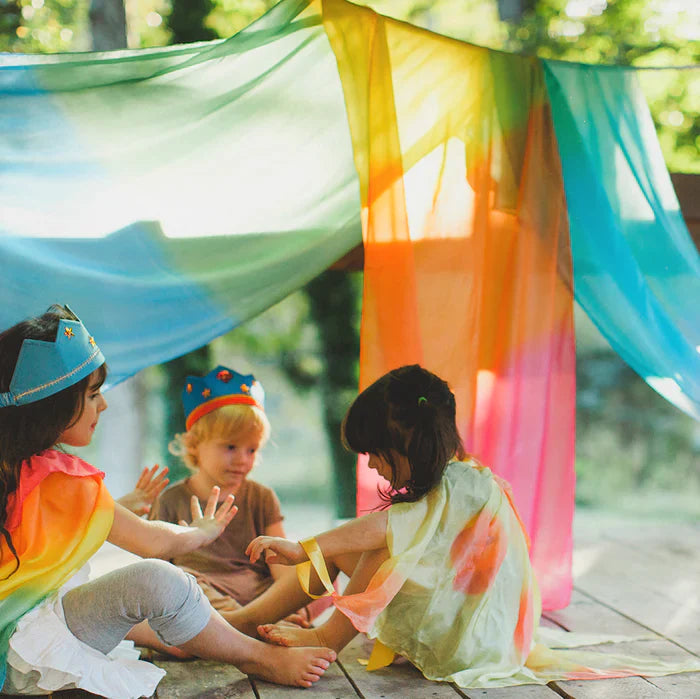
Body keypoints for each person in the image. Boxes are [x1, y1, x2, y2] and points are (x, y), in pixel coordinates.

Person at [234, 364, 699, 689]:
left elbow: (382, 532)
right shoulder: (459, 480)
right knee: (348, 544)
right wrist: (314, 549)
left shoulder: (465, 486)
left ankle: (318, 636)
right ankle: (259, 620)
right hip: (454, 615)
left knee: (370, 546)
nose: (373, 465)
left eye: (376, 451)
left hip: (468, 639)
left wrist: (300, 547)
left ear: (410, 442)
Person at [0, 305, 335, 698]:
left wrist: (121, 505)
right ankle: (256, 656)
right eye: (92, 395)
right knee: (158, 579)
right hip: (32, 653)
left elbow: (43, 527)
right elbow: (155, 543)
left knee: (135, 591)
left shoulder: (18, 469)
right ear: (51, 406)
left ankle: (184, 634)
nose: (102, 406)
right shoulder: (65, 477)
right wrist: (199, 532)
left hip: (20, 647)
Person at [150, 366, 310, 626]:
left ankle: (245, 624)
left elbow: (281, 563)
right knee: (181, 579)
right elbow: (157, 568)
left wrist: (289, 599)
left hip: (256, 592)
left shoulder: (262, 497)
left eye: (251, 450)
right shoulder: (171, 500)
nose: (242, 460)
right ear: (195, 444)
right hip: (201, 595)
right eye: (231, 447)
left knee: (319, 572)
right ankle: (246, 625)